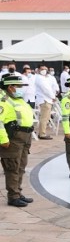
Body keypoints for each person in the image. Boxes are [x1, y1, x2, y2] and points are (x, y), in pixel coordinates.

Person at [0, 74, 35, 207]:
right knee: (12, 167)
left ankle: (18, 192)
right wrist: (3, 139)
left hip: (25, 137)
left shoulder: (18, 99)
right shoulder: (3, 101)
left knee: (21, 166)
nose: (21, 89)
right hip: (13, 139)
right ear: (10, 87)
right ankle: (13, 196)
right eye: (18, 86)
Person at [34, 65, 56, 140]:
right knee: (44, 117)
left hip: (47, 99)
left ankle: (42, 132)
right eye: (42, 69)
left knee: (46, 117)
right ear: (39, 70)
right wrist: (53, 97)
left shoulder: (44, 78)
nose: (44, 70)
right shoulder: (39, 78)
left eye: (45, 69)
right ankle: (42, 134)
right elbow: (46, 89)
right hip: (45, 99)